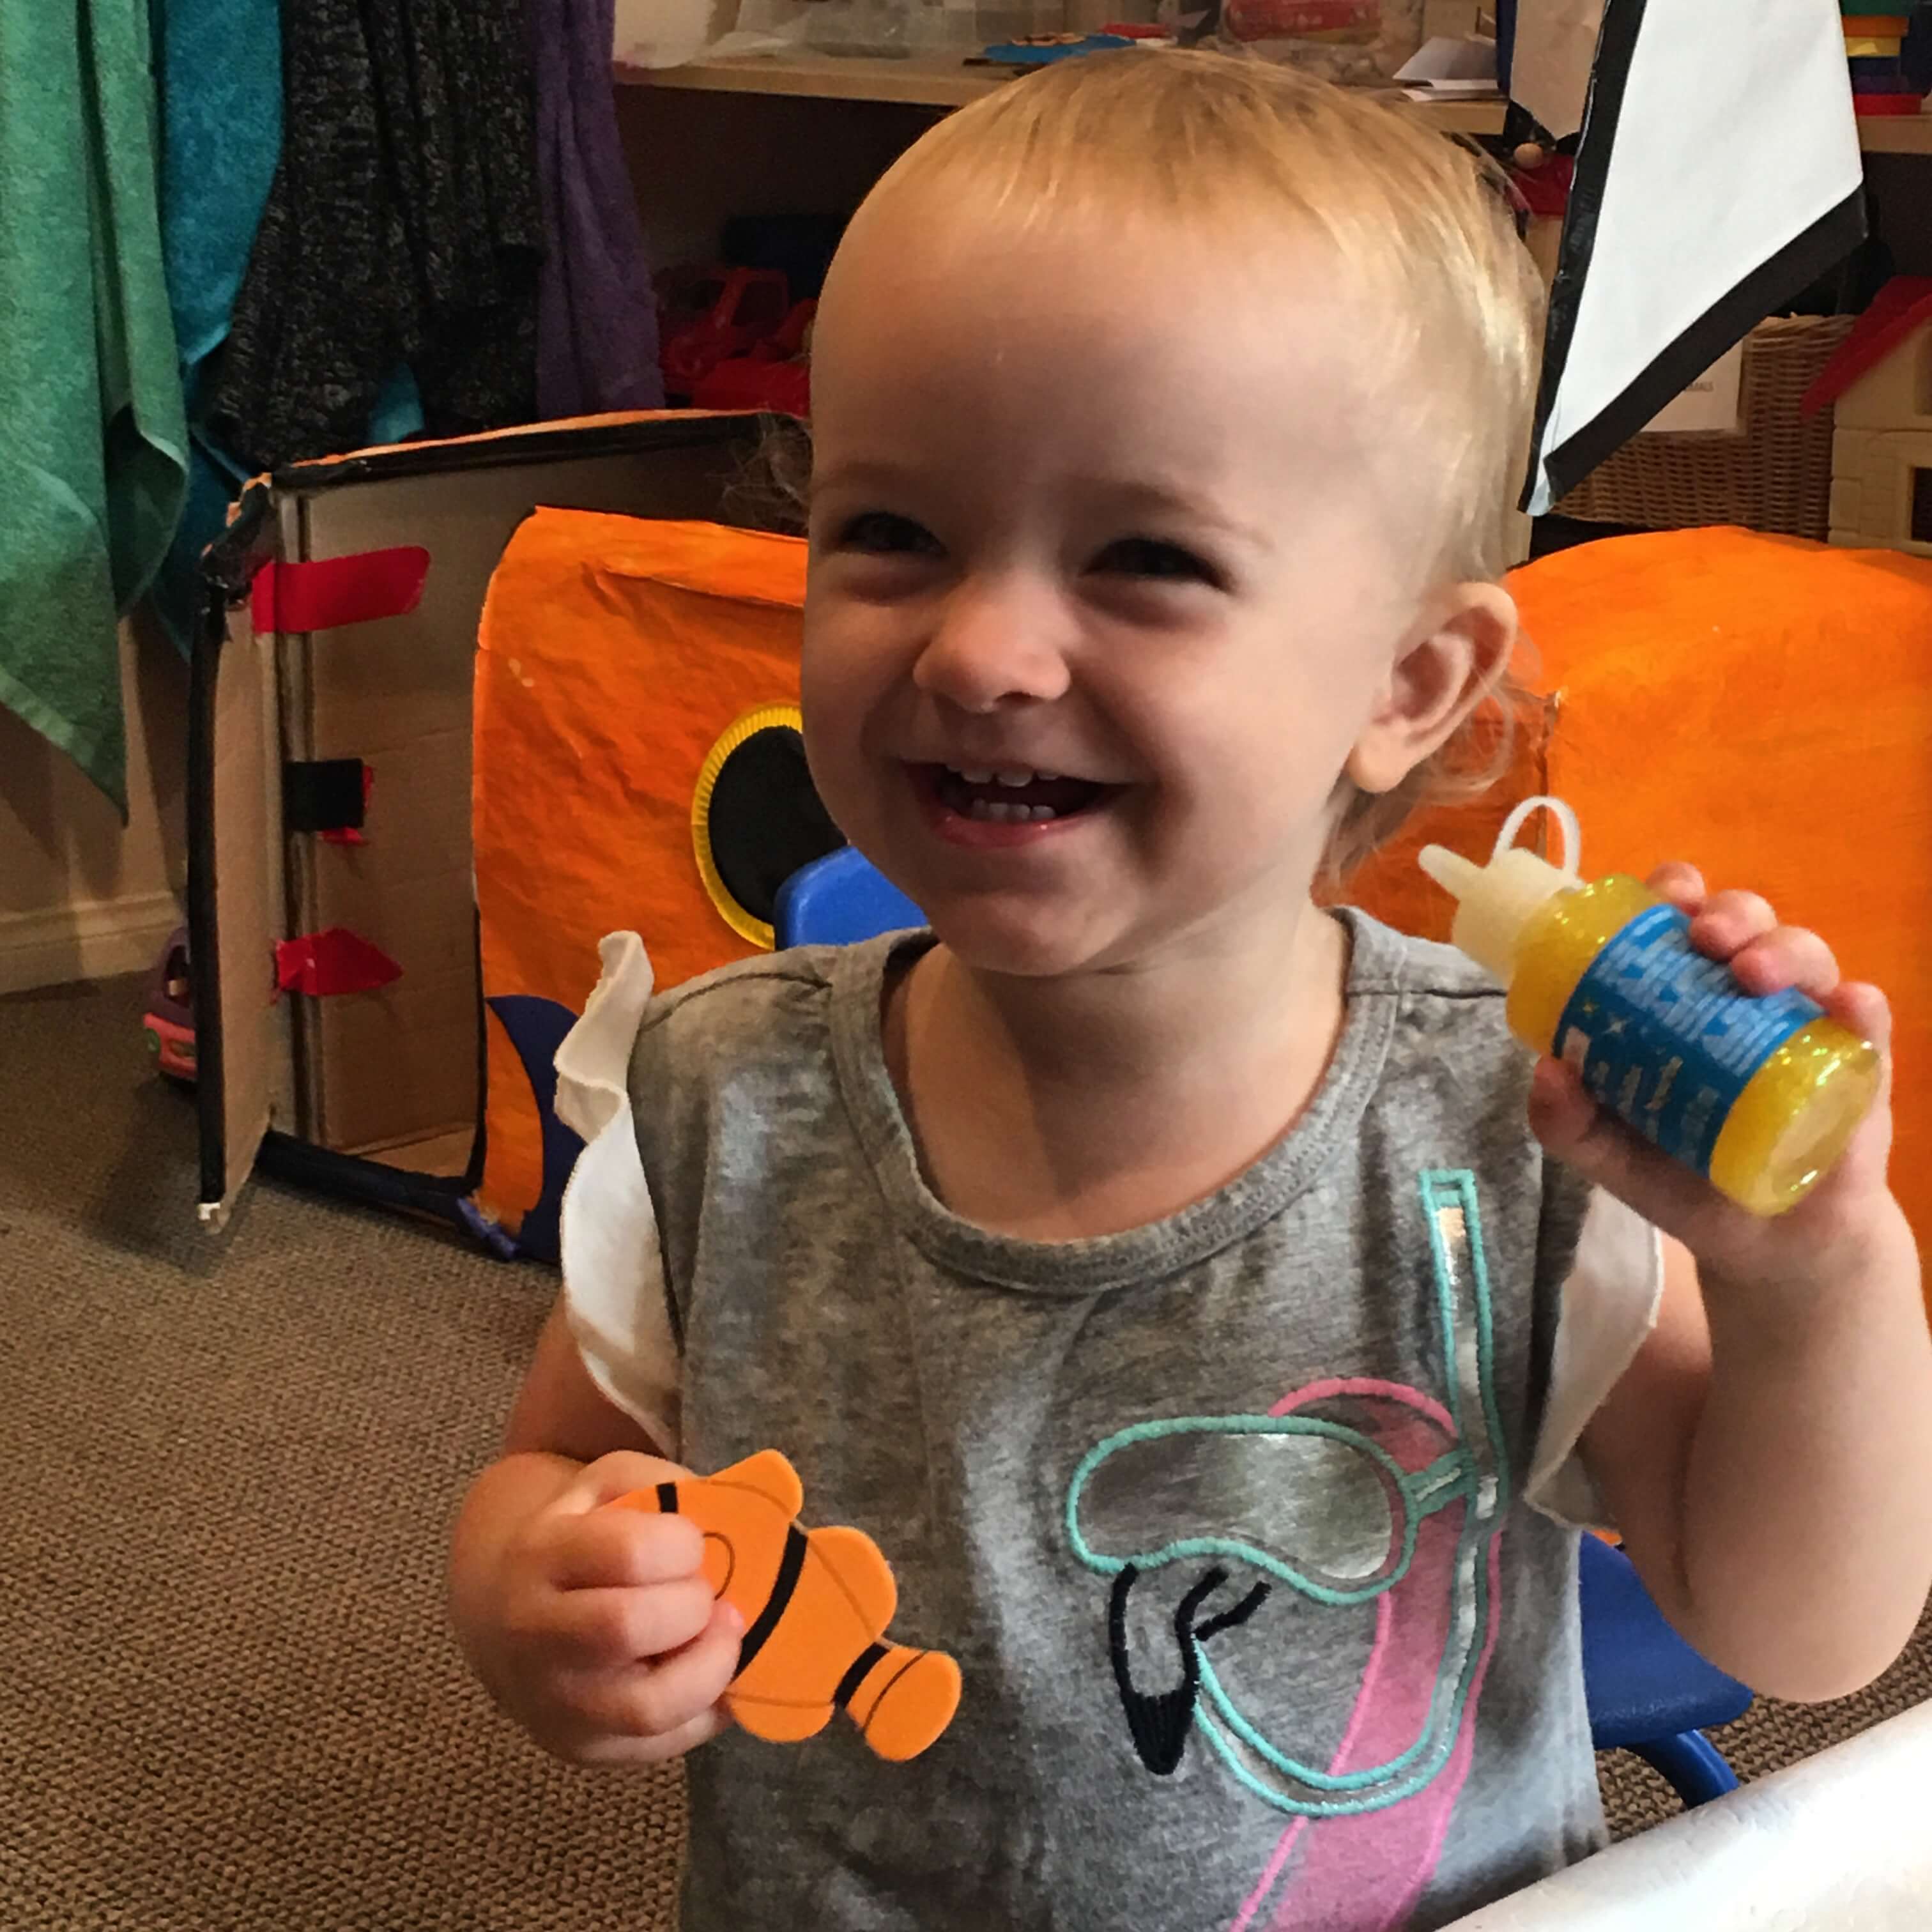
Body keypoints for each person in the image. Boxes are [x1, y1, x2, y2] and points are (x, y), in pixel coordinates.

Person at [447, 49, 1930, 1931]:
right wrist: (543, 1596)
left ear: (1407, 686)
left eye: (1145, 559)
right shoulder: (729, 1096)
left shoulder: (1500, 1131)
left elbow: (1802, 1624)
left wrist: (1820, 1276)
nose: (981, 649)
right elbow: (564, 1464)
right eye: (891, 533)